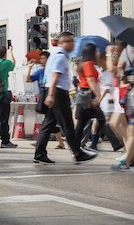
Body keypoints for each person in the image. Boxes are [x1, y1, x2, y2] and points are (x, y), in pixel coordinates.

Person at [34, 31, 97, 164]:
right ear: (61, 43)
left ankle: (39, 153)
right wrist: (51, 95)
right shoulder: (60, 57)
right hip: (57, 93)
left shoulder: (56, 55)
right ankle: (78, 153)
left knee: (48, 124)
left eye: (72, 41)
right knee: (67, 124)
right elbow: (55, 76)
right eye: (68, 41)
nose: (72, 44)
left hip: (54, 92)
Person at [112, 46, 134, 171]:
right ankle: (127, 160)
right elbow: (123, 79)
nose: (133, 49)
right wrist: (122, 72)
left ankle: (127, 160)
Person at [26, 52, 65, 149]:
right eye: (41, 58)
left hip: (54, 99)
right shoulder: (40, 71)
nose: (41, 60)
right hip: (44, 99)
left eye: (43, 58)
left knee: (50, 122)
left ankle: (41, 141)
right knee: (50, 121)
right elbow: (28, 80)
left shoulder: (54, 70)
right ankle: (60, 142)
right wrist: (29, 67)